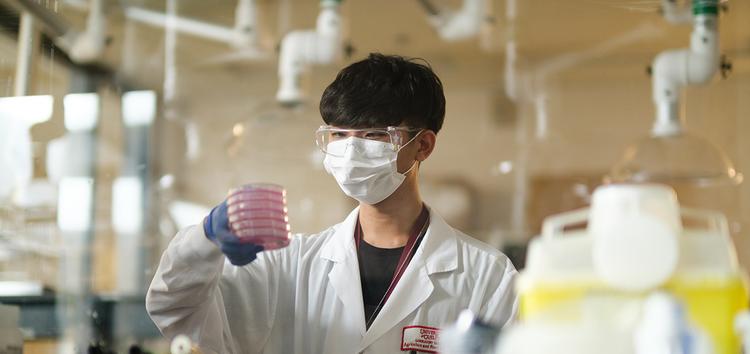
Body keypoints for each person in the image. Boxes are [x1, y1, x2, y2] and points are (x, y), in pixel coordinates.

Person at [146, 53, 518, 354]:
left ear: (423, 145)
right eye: (339, 134)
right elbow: (176, 313)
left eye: (373, 134)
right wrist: (204, 241)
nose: (351, 149)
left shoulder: (488, 276)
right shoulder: (286, 266)